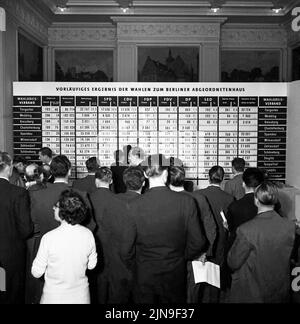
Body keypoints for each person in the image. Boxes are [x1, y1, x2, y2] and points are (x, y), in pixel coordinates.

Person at [127, 154, 206, 303]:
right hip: (174, 273)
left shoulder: (133, 205)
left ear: (144, 174)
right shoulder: (187, 202)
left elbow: (126, 247)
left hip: (144, 274)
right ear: (166, 173)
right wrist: (181, 256)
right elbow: (198, 242)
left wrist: (137, 264)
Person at [27, 155, 95, 304]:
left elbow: (29, 223)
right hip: (75, 253)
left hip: (41, 248)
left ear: (50, 172)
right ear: (69, 171)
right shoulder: (80, 195)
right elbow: (91, 225)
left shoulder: (35, 194)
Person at [227, 182, 295, 303]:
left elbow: (233, 262)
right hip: (280, 291)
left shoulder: (246, 230)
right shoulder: (290, 226)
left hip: (253, 293)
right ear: (275, 200)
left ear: (256, 201)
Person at [32, 190, 97, 304]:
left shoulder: (49, 238)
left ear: (64, 212)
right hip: (81, 296)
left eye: (56, 206)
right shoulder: (88, 234)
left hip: (53, 297)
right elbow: (91, 265)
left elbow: (36, 272)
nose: (53, 208)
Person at [90, 167, 133, 303]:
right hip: (113, 250)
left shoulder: (87, 198)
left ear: (96, 180)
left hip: (93, 247)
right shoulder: (119, 201)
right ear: (111, 181)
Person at [193, 165, 234, 303]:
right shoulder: (229, 198)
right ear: (222, 179)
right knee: (215, 278)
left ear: (208, 177)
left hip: (201, 240)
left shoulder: (198, 195)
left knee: (197, 279)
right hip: (220, 241)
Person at [0, 152, 33, 304]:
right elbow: (26, 229)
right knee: (12, 295)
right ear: (8, 167)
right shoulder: (18, 193)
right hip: (11, 255)